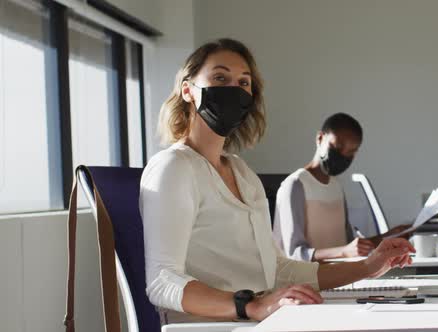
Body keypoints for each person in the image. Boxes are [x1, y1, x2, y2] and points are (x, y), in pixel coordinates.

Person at [140, 38, 415, 324]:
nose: (233, 89)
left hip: (264, 320)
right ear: (188, 90)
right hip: (216, 326)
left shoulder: (241, 172)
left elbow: (277, 270)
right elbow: (162, 281)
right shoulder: (174, 167)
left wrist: (367, 267)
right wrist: (250, 305)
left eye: (243, 83)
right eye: (220, 78)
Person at [273, 113, 411, 262]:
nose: (343, 156)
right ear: (320, 138)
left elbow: (348, 246)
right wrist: (344, 252)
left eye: (351, 153)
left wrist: (389, 236)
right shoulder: (295, 185)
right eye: (337, 147)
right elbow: (294, 254)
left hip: (335, 278)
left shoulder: (336, 186)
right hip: (303, 282)